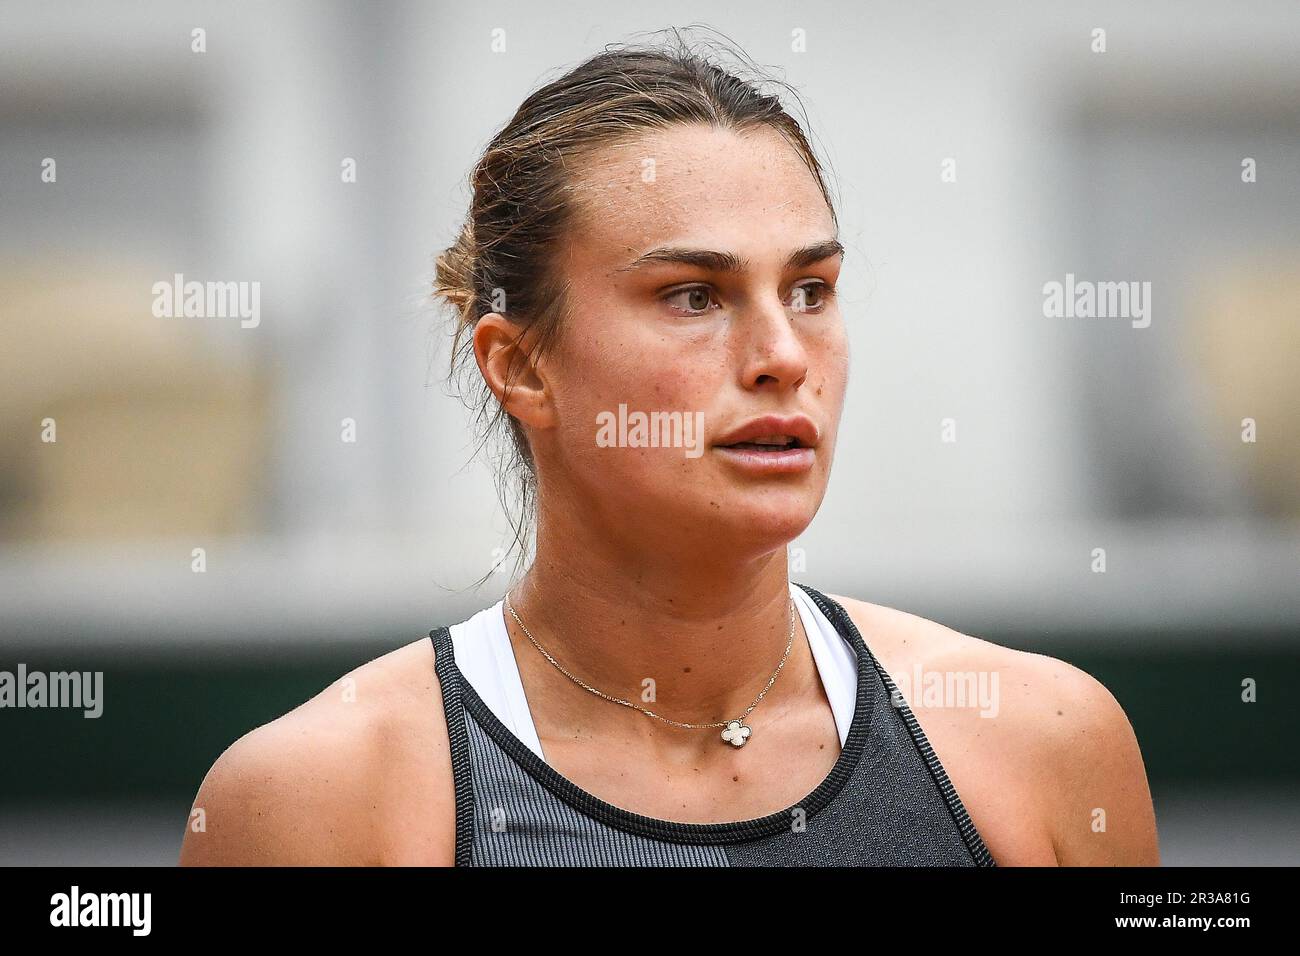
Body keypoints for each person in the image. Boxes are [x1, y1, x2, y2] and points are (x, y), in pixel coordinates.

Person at [180, 32, 1159, 867]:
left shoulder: (1043, 741)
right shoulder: (315, 800)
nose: (783, 356)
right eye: (694, 295)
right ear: (519, 364)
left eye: (810, 289)